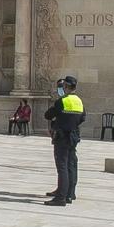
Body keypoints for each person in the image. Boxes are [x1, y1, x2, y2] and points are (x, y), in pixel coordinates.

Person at [45, 75, 85, 207]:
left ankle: (60, 197)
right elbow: (82, 118)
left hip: (62, 136)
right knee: (71, 165)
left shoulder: (62, 101)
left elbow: (48, 115)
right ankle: (70, 194)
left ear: (66, 87)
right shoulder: (79, 101)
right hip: (73, 136)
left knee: (62, 166)